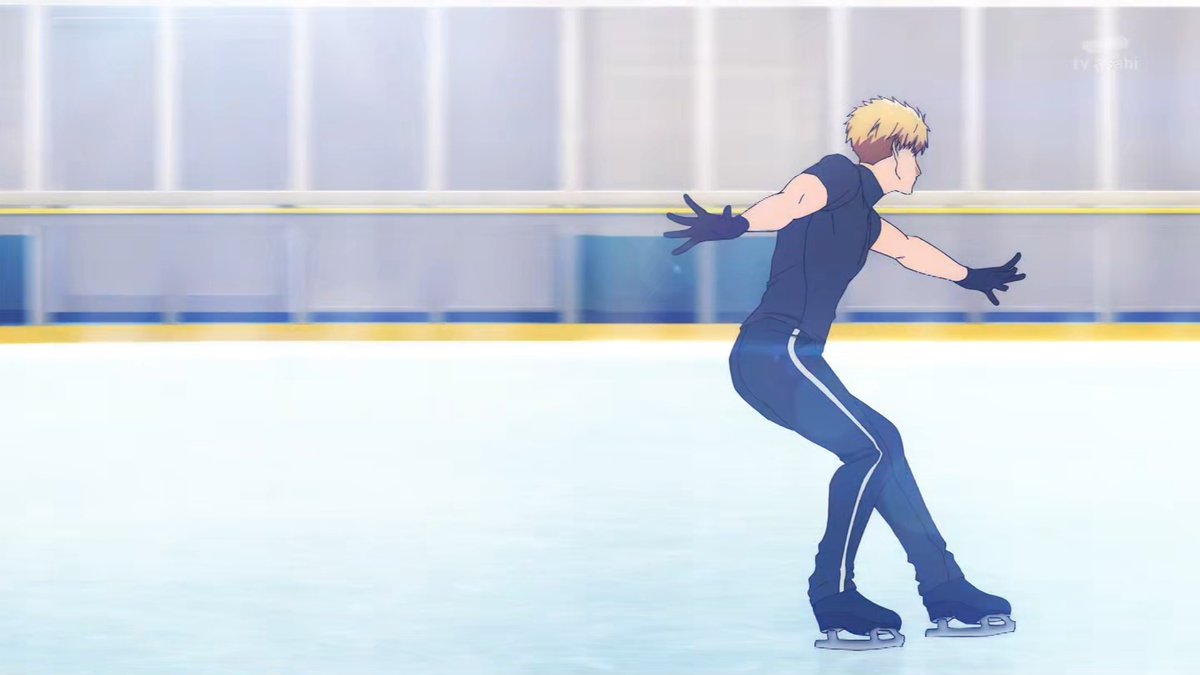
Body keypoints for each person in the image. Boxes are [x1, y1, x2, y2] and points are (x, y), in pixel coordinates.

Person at [663, 97, 1025, 651]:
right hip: (775, 352)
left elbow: (909, 250)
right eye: (916, 154)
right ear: (894, 151)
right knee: (873, 450)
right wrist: (738, 223)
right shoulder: (838, 176)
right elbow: (791, 200)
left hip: (794, 357)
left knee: (882, 445)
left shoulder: (862, 217)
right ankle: (833, 595)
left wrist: (970, 276)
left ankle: (946, 587)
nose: (919, 167)